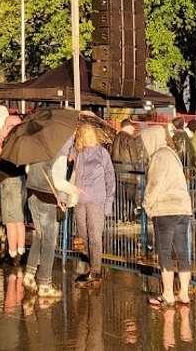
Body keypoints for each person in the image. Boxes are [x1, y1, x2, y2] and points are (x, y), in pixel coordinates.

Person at [141, 125, 193, 307]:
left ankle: (168, 294)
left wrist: (146, 205)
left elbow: (155, 184)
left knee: (164, 252)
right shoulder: (172, 155)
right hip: (183, 208)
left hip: (165, 209)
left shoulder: (158, 157)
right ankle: (184, 294)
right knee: (182, 252)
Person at [22, 137, 78, 299]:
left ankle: (29, 275)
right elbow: (59, 183)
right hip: (47, 201)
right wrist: (74, 189)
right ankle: (45, 284)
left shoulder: (36, 153)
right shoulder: (58, 156)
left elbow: (27, 170)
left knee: (39, 236)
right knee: (49, 242)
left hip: (32, 196)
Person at [71, 122, 116, 288]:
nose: (88, 137)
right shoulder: (77, 152)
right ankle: (92, 265)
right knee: (84, 235)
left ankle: (95, 270)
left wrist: (109, 202)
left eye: (90, 134)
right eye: (85, 134)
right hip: (80, 200)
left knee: (95, 235)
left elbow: (110, 177)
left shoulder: (102, 153)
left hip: (97, 199)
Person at [0, 112, 27, 266]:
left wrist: (1, 137)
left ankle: (14, 254)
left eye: (7, 126)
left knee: (12, 221)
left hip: (10, 182)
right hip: (15, 181)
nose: (4, 128)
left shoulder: (13, 141)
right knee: (17, 219)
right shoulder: (22, 141)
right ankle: (18, 251)